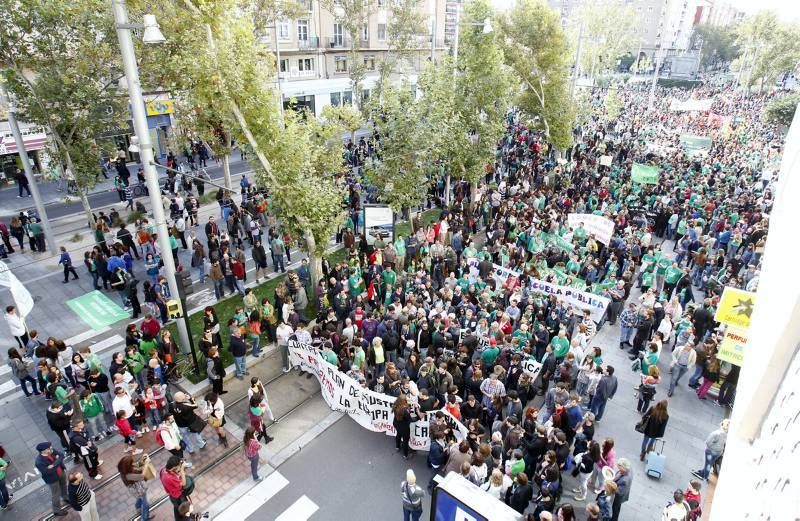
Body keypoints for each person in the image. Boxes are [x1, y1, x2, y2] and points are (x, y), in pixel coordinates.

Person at [35, 442, 69, 517]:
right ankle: (57, 510)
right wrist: (57, 460)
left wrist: (53, 464)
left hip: (61, 472)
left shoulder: (51, 450)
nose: (51, 449)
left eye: (50, 447)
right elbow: (48, 471)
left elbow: (61, 455)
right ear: (43, 451)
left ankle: (65, 497)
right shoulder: (39, 462)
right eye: (49, 448)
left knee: (64, 485)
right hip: (53, 479)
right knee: (56, 494)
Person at [119, 452, 153, 521]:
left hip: (135, 489)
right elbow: (142, 476)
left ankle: (138, 508)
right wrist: (146, 464)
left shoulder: (123, 468)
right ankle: (144, 518)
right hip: (138, 489)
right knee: (146, 505)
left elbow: (136, 465)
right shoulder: (128, 475)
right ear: (128, 466)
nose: (133, 463)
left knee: (139, 498)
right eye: (131, 463)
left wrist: (142, 460)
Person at [160, 455, 194, 520]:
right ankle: (187, 518)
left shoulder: (163, 470)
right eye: (179, 466)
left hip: (172, 494)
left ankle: (178, 517)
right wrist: (182, 470)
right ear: (174, 467)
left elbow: (175, 475)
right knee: (184, 509)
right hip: (178, 496)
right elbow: (184, 484)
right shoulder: (169, 478)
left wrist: (178, 473)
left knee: (177, 508)